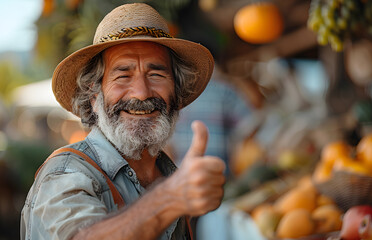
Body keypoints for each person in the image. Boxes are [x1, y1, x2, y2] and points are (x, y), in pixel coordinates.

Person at [21, 3, 225, 240]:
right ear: (95, 96)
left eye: (156, 75)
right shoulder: (66, 173)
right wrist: (170, 199)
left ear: (177, 93)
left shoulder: (171, 175)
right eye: (123, 76)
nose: (141, 93)